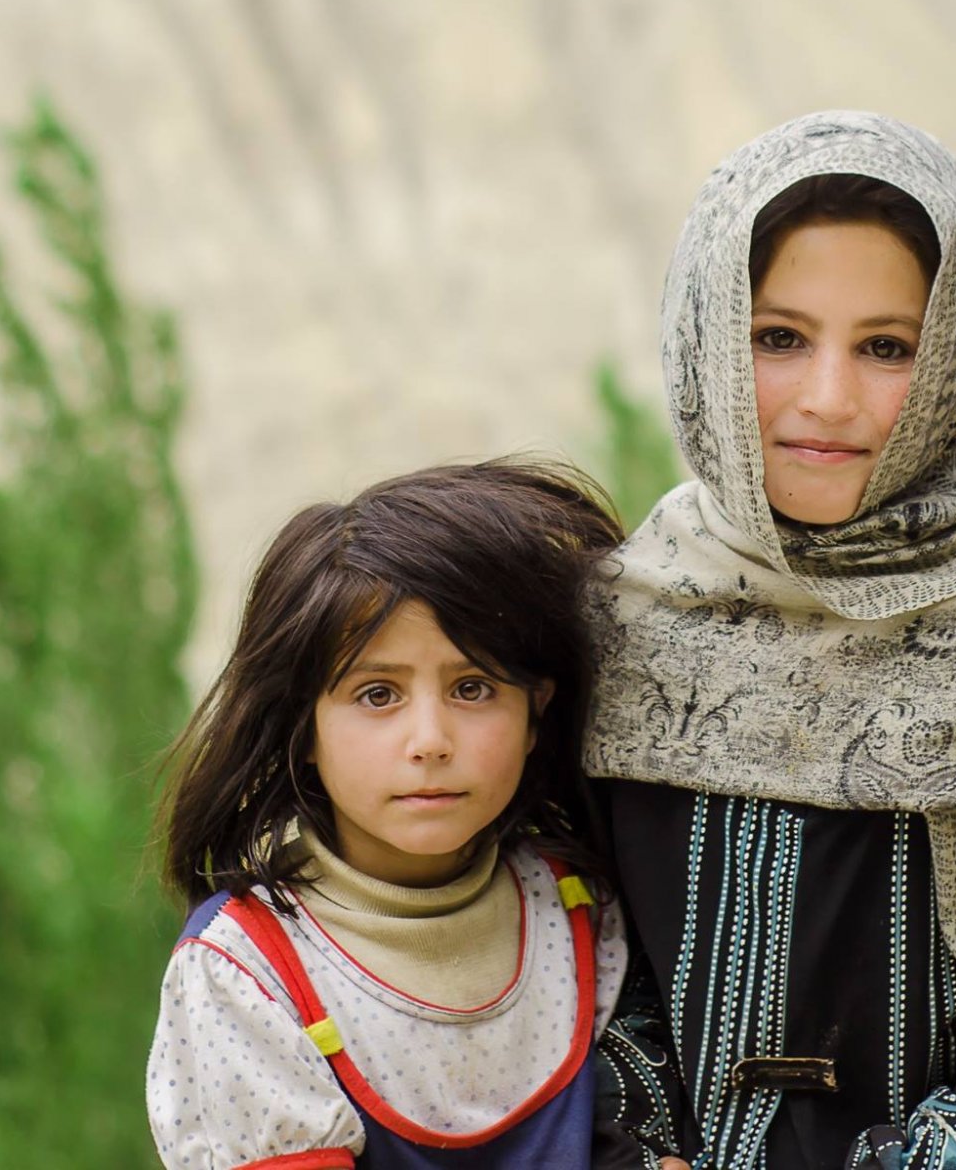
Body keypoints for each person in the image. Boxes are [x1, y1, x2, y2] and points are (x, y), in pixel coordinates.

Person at [585, 111, 956, 1170]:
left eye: (885, 347)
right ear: (710, 338)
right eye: (777, 338)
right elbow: (562, 942)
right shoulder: (624, 612)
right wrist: (630, 1144)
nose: (827, 398)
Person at [147, 459, 686, 1169]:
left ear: (536, 713)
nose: (429, 742)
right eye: (377, 695)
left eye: (473, 687)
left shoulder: (584, 908)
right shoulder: (244, 971)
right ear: (303, 728)